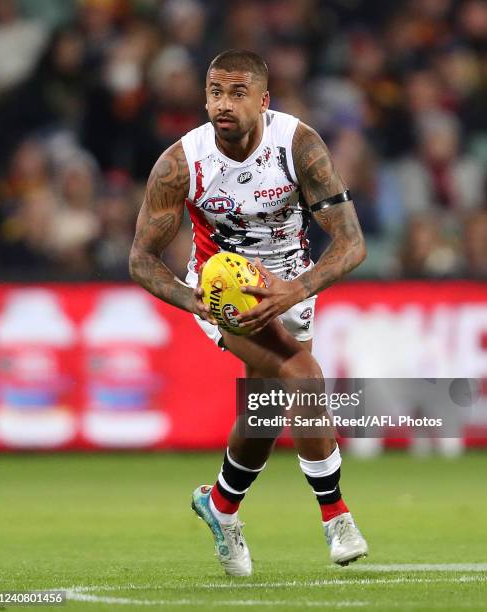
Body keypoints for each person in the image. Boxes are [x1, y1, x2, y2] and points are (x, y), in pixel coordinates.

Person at [129, 49, 368, 576]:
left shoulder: (299, 146)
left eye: (238, 93)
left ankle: (220, 504)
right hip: (224, 293)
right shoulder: (181, 163)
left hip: (290, 285)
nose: (224, 104)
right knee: (302, 375)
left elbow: (351, 245)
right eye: (215, 92)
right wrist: (194, 300)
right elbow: (141, 259)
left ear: (264, 100)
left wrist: (295, 290)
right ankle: (336, 516)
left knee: (263, 409)